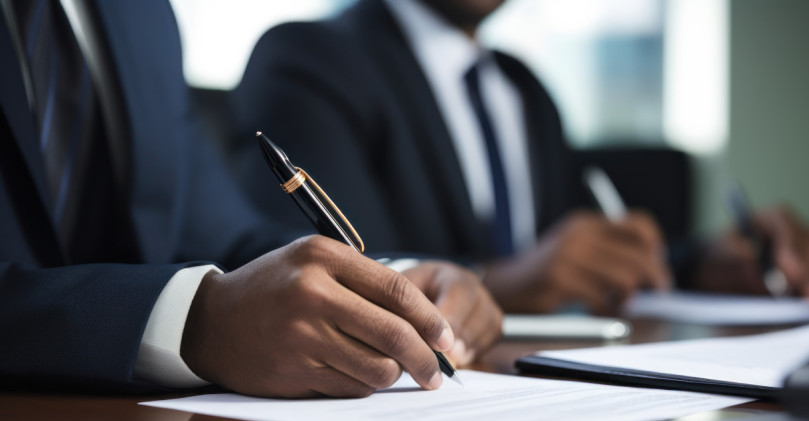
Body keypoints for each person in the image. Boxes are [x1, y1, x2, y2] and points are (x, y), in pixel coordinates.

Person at [0, 0, 502, 397]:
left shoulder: (141, 13)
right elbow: (221, 303)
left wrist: (393, 280)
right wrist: (196, 322)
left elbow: (228, 237)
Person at [230, 0, 671, 316]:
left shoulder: (527, 90)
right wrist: (504, 282)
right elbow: (323, 270)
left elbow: (562, 244)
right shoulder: (311, 58)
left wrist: (688, 260)